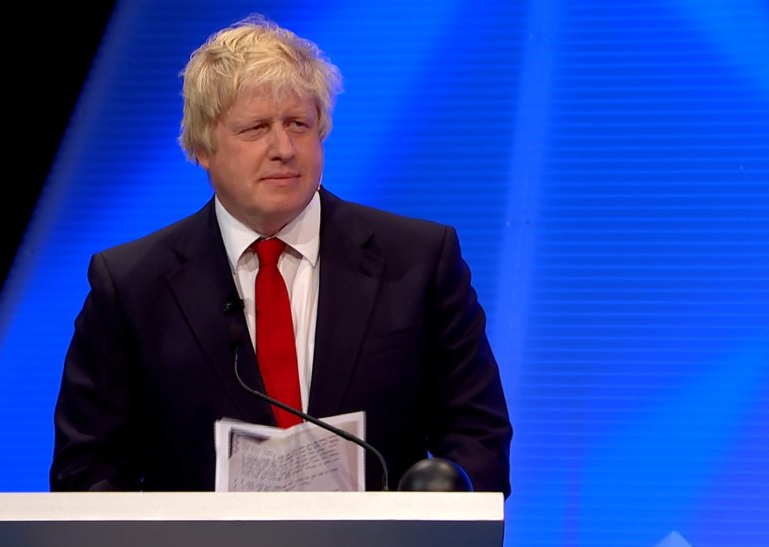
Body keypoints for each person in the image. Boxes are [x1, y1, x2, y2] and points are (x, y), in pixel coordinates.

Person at [49, 13, 513, 497]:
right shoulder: (130, 286)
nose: (283, 148)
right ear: (203, 147)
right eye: (255, 129)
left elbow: (478, 435)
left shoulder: (419, 261)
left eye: (298, 124)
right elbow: (88, 470)